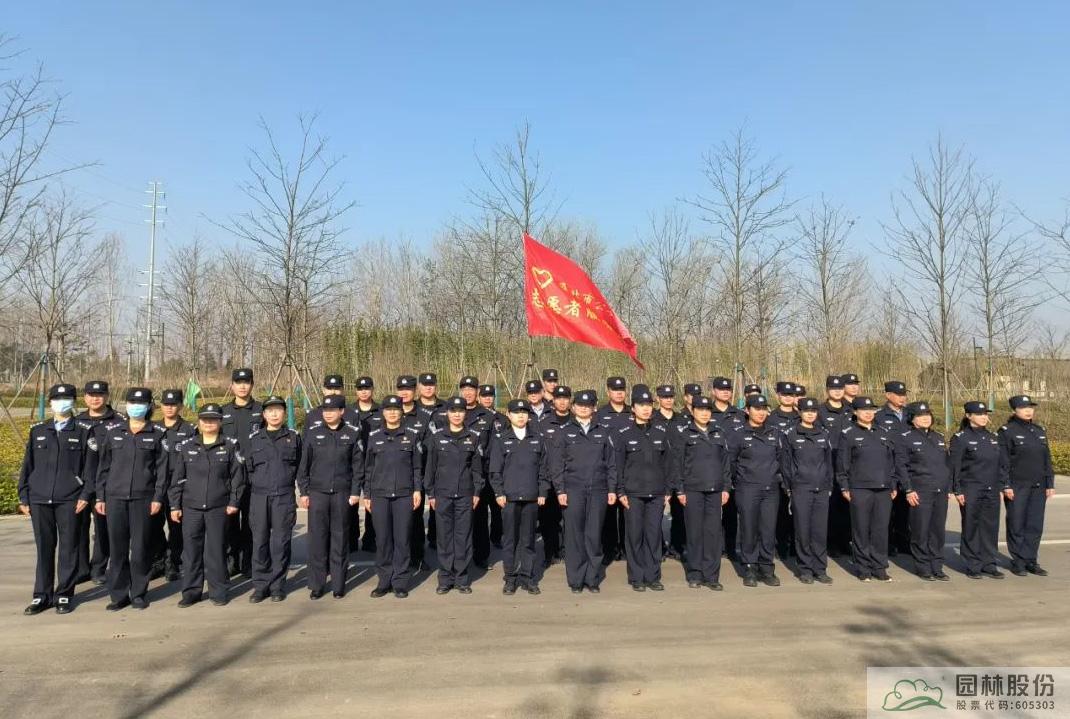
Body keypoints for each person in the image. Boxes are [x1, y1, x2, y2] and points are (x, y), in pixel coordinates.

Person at [18, 383, 94, 615]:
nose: (62, 403)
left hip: (70, 499)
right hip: (39, 498)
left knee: (69, 549)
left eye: (67, 398)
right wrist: (24, 495)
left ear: (73, 402)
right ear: (50, 402)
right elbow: (27, 466)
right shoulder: (38, 430)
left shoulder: (83, 430)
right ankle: (41, 595)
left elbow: (90, 469)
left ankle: (64, 594)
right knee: (44, 548)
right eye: (57, 399)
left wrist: (85, 494)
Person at [94, 388, 170, 610]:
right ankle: (118, 596)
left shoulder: (157, 434)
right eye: (132, 402)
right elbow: (103, 467)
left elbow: (162, 471)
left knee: (140, 549)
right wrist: (100, 496)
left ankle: (138, 592)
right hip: (115, 498)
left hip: (143, 499)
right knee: (117, 550)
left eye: (141, 403)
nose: (136, 406)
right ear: (126, 405)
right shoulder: (114, 432)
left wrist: (158, 497)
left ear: (148, 406)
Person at [169, 403, 247, 607]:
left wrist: (234, 502)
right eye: (205, 419)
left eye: (213, 419)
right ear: (199, 422)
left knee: (216, 551)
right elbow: (178, 478)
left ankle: (218, 591)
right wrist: (175, 505)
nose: (209, 423)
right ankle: (191, 592)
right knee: (191, 552)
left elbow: (238, 478)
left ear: (220, 422)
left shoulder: (230, 445)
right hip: (191, 507)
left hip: (218, 507)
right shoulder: (187, 446)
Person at [550, 389, 616, 593]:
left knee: (594, 535)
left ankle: (592, 579)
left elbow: (611, 463)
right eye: (580, 405)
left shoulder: (603, 431)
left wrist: (612, 489)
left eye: (588, 406)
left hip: (598, 489)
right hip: (573, 489)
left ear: (594, 408)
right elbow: (556, 464)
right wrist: (560, 490)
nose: (584, 409)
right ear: (573, 407)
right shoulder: (564, 432)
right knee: (574, 536)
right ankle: (576, 580)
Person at [297, 395, 363, 599]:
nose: (328, 414)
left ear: (342, 411)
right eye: (325, 410)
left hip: (342, 494)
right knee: (317, 540)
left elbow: (358, 467)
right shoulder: (313, 434)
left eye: (332, 410)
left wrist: (355, 492)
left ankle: (338, 584)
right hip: (317, 493)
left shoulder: (352, 434)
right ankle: (317, 584)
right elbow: (303, 466)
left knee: (340, 539)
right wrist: (304, 492)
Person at [362, 395, 423, 599]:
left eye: (396, 409)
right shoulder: (374, 436)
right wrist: (367, 494)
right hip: (379, 495)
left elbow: (417, 467)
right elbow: (368, 468)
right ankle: (384, 581)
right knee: (383, 540)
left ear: (401, 411)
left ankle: (400, 582)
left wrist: (417, 490)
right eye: (388, 409)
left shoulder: (412, 435)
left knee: (402, 540)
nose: (392, 413)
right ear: (383, 412)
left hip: (404, 495)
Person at [489, 399, 551, 595]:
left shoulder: (538, 439)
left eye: (524, 412)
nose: (521, 416)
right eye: (516, 412)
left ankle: (527, 577)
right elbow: (495, 471)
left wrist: (542, 492)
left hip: (531, 498)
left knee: (528, 540)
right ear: (508, 414)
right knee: (510, 540)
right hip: (509, 498)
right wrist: (499, 493)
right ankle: (510, 577)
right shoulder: (501, 439)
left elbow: (544, 469)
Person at [614, 385, 672, 592]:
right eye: (641, 405)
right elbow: (618, 465)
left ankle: (653, 576)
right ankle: (637, 577)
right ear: (633, 408)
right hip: (633, 494)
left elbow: (668, 464)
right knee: (634, 536)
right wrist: (620, 491)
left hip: (656, 493)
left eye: (649, 404)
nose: (646, 409)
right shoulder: (624, 434)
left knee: (654, 535)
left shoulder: (660, 432)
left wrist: (668, 491)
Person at [423, 397, 483, 594]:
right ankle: (445, 579)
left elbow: (477, 469)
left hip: (465, 495)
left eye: (461, 411)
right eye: (453, 411)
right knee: (444, 537)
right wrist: (431, 493)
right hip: (443, 495)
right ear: (447, 413)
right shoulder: (437, 437)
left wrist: (476, 492)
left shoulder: (473, 437)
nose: (457, 414)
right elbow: (430, 468)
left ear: (465, 413)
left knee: (463, 537)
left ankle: (462, 579)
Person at [245, 395, 302, 602]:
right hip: (259, 497)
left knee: (281, 542)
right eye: (270, 411)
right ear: (264, 414)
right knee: (259, 542)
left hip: (283, 497)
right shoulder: (254, 439)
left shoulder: (294, 438)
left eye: (278, 410)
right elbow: (248, 468)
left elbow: (300, 467)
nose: (274, 414)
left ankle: (278, 586)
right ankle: (261, 586)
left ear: (284, 413)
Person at [672, 396, 731, 590]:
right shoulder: (684, 434)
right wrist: (680, 490)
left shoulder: (718, 433)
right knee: (694, 533)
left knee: (713, 533)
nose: (705, 413)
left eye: (708, 410)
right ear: (692, 411)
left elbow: (725, 464)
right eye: (700, 409)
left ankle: (712, 576)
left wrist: (726, 488)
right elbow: (678, 464)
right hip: (693, 490)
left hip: (715, 490)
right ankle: (695, 573)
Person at [836, 397, 897, 582]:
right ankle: (863, 568)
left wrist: (893, 484)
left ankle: (879, 567)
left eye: (871, 409)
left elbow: (891, 462)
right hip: (860, 488)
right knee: (861, 529)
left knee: (881, 530)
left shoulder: (883, 432)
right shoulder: (848, 434)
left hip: (883, 488)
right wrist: (844, 486)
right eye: (864, 410)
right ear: (855, 412)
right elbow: (842, 463)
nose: (869, 413)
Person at [729, 394, 785, 588]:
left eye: (764, 409)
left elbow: (781, 458)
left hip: (770, 489)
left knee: (768, 530)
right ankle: (750, 567)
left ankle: (767, 568)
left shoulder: (775, 433)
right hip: (747, 489)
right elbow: (731, 461)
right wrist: (740, 480)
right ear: (747, 410)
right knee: (749, 529)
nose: (761, 413)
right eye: (757, 408)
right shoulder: (739, 434)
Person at [950, 401, 1009, 579]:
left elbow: (1001, 465)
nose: (984, 417)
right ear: (968, 416)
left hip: (991, 489)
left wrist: (1002, 485)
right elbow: (955, 467)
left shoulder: (993, 437)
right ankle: (973, 564)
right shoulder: (961, 438)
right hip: (971, 488)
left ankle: (989, 563)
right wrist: (957, 490)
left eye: (985, 414)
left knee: (990, 527)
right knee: (971, 526)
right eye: (979, 414)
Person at [999, 395, 1056, 576]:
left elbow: (1046, 459)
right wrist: (1005, 485)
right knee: (1016, 523)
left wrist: (1050, 482)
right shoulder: (1007, 431)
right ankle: (1018, 561)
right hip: (1017, 485)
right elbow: (1003, 461)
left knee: (1035, 524)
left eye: (1030, 407)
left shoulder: (1039, 430)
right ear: (1014, 410)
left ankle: (1031, 560)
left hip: (1039, 485)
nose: (1028, 411)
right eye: (1024, 408)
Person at [74, 380, 124, 585]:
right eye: (91, 395)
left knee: (103, 529)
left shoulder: (119, 421)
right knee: (78, 528)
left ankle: (99, 568)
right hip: (80, 484)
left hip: (106, 484)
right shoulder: (76, 421)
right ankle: (81, 569)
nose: (95, 398)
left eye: (100, 395)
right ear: (84, 397)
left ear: (107, 396)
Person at [779, 398, 834, 584]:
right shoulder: (790, 435)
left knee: (820, 531)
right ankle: (805, 569)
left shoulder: (823, 434)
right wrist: (789, 487)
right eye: (806, 411)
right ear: (800, 412)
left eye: (813, 411)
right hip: (801, 488)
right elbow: (786, 464)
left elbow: (829, 463)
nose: (810, 414)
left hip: (821, 489)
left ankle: (820, 569)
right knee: (803, 530)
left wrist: (829, 485)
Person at [895, 401, 951, 581]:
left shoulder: (938, 437)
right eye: (920, 415)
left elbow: (946, 464)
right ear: (912, 419)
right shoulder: (905, 438)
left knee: (937, 531)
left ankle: (937, 566)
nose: (926, 418)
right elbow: (901, 466)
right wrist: (908, 489)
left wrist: (948, 487)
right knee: (920, 530)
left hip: (940, 490)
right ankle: (923, 566)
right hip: (920, 490)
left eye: (928, 414)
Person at [220, 367, 262, 579]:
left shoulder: (261, 410)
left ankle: (248, 561)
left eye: (247, 382)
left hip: (254, 474)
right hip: (229, 476)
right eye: (238, 382)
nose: (243, 386)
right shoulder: (223, 411)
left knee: (251, 521)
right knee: (229, 520)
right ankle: (231, 560)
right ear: (232, 385)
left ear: (252, 385)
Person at [151, 389, 195, 580]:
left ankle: (173, 562)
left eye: (173, 404)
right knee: (153, 524)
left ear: (181, 406)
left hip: (178, 485)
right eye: (166, 404)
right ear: (161, 406)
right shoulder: (153, 428)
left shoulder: (189, 429)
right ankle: (158, 561)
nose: (169, 408)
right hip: (155, 485)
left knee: (176, 526)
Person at [537, 385, 572, 567]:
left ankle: (567, 552)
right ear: (553, 401)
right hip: (549, 480)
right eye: (559, 398)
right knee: (548, 521)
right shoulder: (544, 424)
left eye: (566, 398)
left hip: (572, 479)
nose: (562, 401)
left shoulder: (576, 422)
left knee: (570, 520)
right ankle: (549, 553)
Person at [652, 384, 688, 560]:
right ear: (658, 398)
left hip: (680, 472)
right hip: (660, 473)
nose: (668, 400)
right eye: (664, 397)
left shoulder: (682, 420)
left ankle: (677, 546)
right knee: (656, 514)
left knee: (680, 514)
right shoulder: (652, 419)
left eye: (670, 397)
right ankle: (658, 548)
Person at [597, 376, 630, 563]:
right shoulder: (600, 414)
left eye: (622, 389)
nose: (619, 393)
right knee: (608, 513)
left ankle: (626, 548)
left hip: (629, 470)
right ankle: (609, 549)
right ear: (608, 391)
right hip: (608, 471)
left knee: (627, 513)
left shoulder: (632, 413)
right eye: (615, 390)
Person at [473, 384, 505, 567]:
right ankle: (481, 554)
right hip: (481, 471)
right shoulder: (473, 417)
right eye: (484, 395)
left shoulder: (502, 418)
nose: (487, 398)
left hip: (498, 472)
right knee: (480, 515)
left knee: (498, 510)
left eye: (490, 395)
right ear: (479, 397)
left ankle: (497, 537)